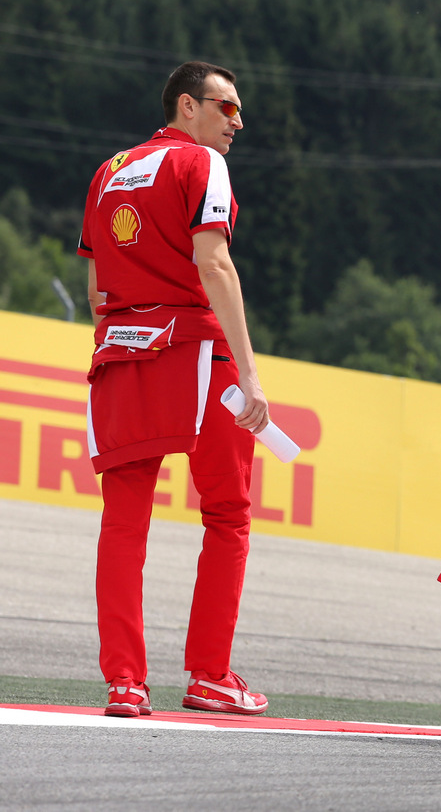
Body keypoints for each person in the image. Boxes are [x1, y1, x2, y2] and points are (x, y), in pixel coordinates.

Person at [78, 61, 272, 718]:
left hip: (120, 352)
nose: (237, 123)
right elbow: (213, 262)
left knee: (122, 522)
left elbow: (97, 291)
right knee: (228, 513)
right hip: (193, 351)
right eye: (227, 108)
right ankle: (210, 673)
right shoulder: (200, 165)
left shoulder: (108, 171)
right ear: (187, 106)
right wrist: (248, 372)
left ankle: (125, 683)